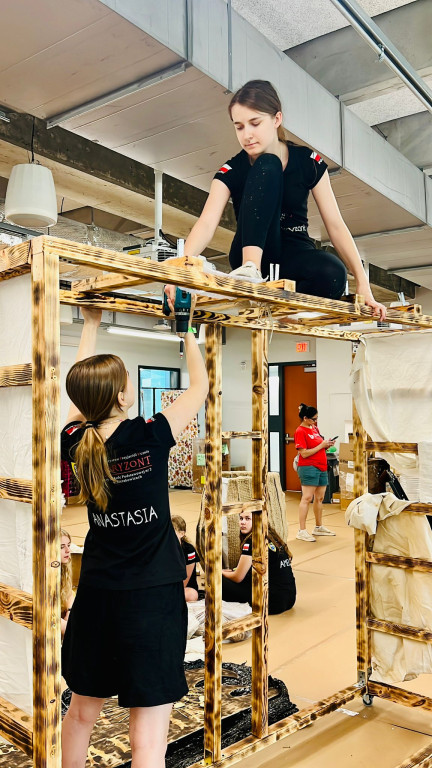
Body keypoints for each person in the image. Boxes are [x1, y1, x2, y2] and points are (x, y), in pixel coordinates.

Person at [60, 306, 208, 768]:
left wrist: (89, 324)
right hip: (152, 598)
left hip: (97, 594)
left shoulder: (75, 440)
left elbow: (78, 401)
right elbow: (200, 388)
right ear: (124, 397)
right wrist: (186, 327)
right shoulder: (150, 435)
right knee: (147, 736)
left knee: (81, 712)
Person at [165, 79, 386, 319]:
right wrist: (179, 272)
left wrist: (363, 283)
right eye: (239, 127)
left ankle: (284, 309)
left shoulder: (308, 161)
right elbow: (207, 223)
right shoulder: (232, 170)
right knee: (267, 163)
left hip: (293, 256)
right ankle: (250, 271)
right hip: (252, 253)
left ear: (276, 119)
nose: (247, 135)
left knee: (333, 272)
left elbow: (335, 224)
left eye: (255, 123)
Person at [222, 510, 296, 615]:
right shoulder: (273, 537)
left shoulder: (252, 541)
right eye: (241, 518)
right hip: (289, 599)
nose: (243, 522)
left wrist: (221, 572)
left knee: (217, 579)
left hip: (271, 603)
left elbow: (238, 577)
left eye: (248, 519)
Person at [294, 403, 336, 543]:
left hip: (321, 466)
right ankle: (302, 530)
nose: (315, 421)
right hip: (308, 467)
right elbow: (304, 453)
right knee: (307, 498)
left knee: (319, 498)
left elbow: (318, 446)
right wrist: (321, 445)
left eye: (317, 418)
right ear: (305, 418)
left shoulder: (314, 428)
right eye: (313, 419)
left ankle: (318, 526)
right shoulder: (300, 431)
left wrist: (326, 445)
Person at [171, 515, 199, 602]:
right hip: (168, 585)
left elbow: (186, 578)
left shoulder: (189, 550)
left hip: (185, 586)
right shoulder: (164, 549)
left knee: (191, 595)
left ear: (182, 534)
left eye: (172, 532)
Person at [60, 529, 74, 640]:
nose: (68, 550)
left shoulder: (64, 569)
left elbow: (69, 592)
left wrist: (69, 612)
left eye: (68, 545)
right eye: (62, 547)